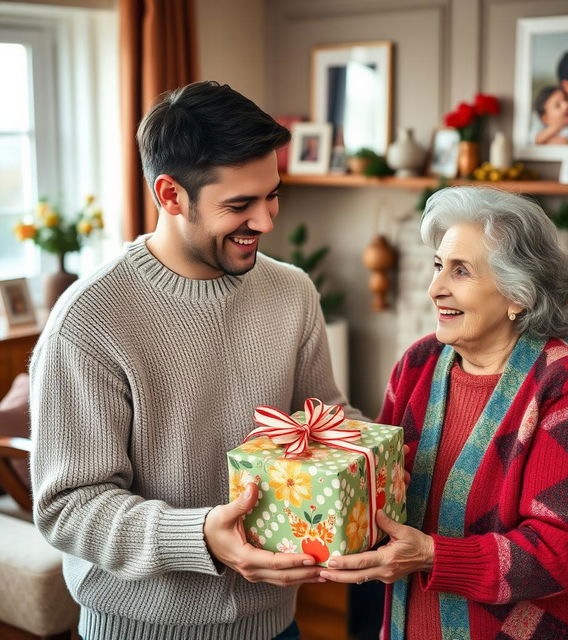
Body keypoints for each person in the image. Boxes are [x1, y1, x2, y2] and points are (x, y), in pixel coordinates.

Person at [29, 80, 356, 640]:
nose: (267, 222)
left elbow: (322, 421)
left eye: (273, 195)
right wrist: (200, 535)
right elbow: (68, 507)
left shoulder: (292, 292)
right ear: (171, 194)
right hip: (138, 629)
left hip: (277, 625)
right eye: (240, 205)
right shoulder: (89, 320)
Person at [319, 186, 568, 639]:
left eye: (461, 271)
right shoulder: (417, 365)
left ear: (518, 293)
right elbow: (381, 486)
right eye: (439, 265)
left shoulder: (564, 385)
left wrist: (432, 555)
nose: (435, 288)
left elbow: (563, 551)